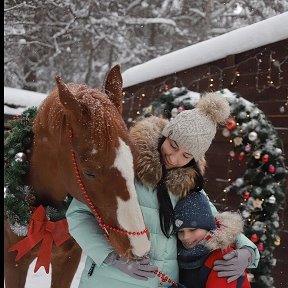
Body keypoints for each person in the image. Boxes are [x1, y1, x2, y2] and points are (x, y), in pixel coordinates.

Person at [66, 92, 260, 287]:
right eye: (173, 145)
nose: (174, 158)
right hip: (109, 279)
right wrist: (112, 258)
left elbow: (215, 220)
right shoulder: (123, 167)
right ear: (165, 136)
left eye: (186, 155)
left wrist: (247, 250)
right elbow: (79, 214)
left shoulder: (189, 186)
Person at [171, 191, 252, 288]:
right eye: (180, 231)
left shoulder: (223, 254)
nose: (185, 237)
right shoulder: (179, 252)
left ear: (207, 227)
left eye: (192, 230)